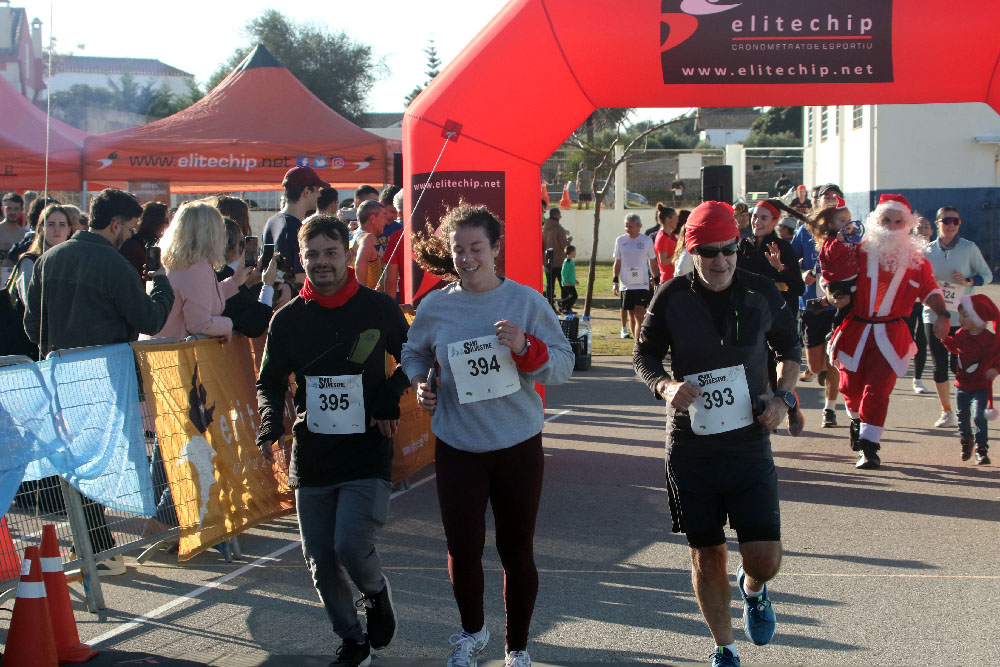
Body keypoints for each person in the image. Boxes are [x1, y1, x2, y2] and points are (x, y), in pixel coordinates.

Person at [403, 203, 573, 667]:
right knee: (463, 548)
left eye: (476, 247)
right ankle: (472, 634)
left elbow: (562, 365)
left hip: (517, 444)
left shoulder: (525, 301)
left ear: (496, 248)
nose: (467, 258)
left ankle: (516, 647)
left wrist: (525, 347)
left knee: (517, 550)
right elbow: (412, 351)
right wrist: (421, 383)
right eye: (458, 250)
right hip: (459, 446)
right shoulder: (437, 305)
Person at [634, 200, 801, 667]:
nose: (721, 260)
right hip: (691, 446)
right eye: (708, 252)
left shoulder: (761, 291)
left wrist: (782, 398)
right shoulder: (671, 295)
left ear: (738, 245)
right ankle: (724, 648)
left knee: (763, 557)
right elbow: (643, 356)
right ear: (692, 251)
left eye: (729, 249)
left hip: (748, 441)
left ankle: (755, 589)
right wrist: (664, 385)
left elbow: (790, 347)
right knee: (707, 555)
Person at [257, 214, 406, 667]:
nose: (322, 263)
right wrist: (271, 423)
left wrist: (387, 398)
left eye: (331, 253)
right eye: (312, 255)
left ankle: (376, 594)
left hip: (366, 451)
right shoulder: (286, 320)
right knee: (320, 560)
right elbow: (268, 382)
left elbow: (416, 355)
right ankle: (352, 639)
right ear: (300, 259)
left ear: (348, 254)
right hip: (314, 453)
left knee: (350, 544)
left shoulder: (378, 309)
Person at [24, 189, 174, 575]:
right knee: (100, 461)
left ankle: (93, 547)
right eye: (130, 227)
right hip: (103, 377)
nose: (132, 234)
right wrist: (162, 286)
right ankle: (97, 550)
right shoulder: (113, 263)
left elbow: (31, 325)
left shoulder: (49, 258)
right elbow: (150, 320)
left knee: (75, 461)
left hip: (59, 373)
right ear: (115, 225)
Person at [828, 195, 951, 469]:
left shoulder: (916, 260)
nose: (892, 226)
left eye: (899, 221)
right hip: (857, 330)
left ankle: (870, 447)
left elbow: (929, 290)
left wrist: (942, 314)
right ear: (876, 221)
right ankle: (857, 421)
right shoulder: (858, 251)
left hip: (891, 334)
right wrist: (831, 293)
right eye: (887, 220)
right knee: (851, 388)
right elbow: (833, 277)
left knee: (878, 389)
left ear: (907, 225)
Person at [921, 206, 992, 428]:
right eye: (946, 220)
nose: (951, 224)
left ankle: (968, 404)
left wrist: (968, 282)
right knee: (939, 364)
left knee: (960, 365)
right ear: (938, 223)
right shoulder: (927, 251)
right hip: (933, 314)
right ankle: (946, 411)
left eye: (956, 221)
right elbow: (917, 279)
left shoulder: (969, 248)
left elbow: (987, 275)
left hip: (963, 318)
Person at [144, 203, 249, 341]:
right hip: (178, 356)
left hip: (163, 352)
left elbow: (202, 297)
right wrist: (227, 325)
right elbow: (200, 324)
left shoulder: (174, 261)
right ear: (210, 234)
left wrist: (234, 282)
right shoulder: (196, 267)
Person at [2, 204, 72, 359]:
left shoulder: (73, 262)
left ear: (69, 230)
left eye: (62, 225)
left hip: (63, 342)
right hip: (28, 344)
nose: (57, 229)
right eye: (51, 224)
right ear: (40, 229)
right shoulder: (29, 261)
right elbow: (30, 304)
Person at [943, 295, 1000, 465]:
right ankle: (967, 441)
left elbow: (998, 356)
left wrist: (995, 369)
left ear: (978, 318)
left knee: (979, 416)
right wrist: (945, 338)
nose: (961, 319)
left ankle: (982, 450)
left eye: (966, 316)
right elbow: (955, 348)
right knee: (962, 416)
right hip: (962, 385)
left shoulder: (990, 339)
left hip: (981, 386)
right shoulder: (961, 334)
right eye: (960, 315)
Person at [261, 165, 329, 286]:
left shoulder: (271, 221)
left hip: (271, 297)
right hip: (291, 300)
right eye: (317, 190)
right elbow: (302, 279)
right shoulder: (297, 229)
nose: (319, 195)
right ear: (306, 192)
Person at [217, 218, 278, 339]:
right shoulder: (223, 274)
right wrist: (268, 286)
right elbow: (256, 325)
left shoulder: (198, 270)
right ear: (239, 247)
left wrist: (247, 283)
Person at [613, 213, 657, 340]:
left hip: (641, 282)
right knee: (631, 314)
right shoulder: (620, 240)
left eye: (631, 227)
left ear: (639, 226)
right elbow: (618, 262)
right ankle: (636, 342)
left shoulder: (646, 240)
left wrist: (655, 278)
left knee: (640, 312)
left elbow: (652, 261)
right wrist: (615, 280)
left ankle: (640, 342)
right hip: (626, 283)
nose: (628, 229)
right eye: (626, 227)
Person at [907, 215, 935, 393]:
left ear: (932, 231)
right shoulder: (908, 250)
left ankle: (917, 379)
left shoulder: (936, 251)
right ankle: (896, 370)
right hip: (910, 300)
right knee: (906, 339)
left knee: (922, 341)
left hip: (928, 302)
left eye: (926, 226)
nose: (923, 229)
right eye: (920, 227)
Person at [120, 201, 170, 277]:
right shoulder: (133, 246)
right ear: (155, 222)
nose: (168, 224)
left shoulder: (160, 244)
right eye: (166, 221)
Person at [354, 200, 386, 291]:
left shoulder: (350, 237)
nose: (385, 221)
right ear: (372, 218)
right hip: (366, 301)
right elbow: (359, 264)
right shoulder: (368, 238)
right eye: (383, 215)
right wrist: (363, 294)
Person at [541, 207, 570, 305]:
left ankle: (550, 305)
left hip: (547, 261)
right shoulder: (559, 229)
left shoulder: (544, 229)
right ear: (557, 215)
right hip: (559, 262)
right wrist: (569, 240)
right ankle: (564, 305)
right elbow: (564, 246)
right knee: (564, 285)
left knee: (550, 285)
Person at [653, 204, 679, 283]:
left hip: (674, 278)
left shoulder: (671, 236)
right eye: (676, 218)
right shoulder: (662, 238)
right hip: (668, 280)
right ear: (668, 220)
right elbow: (663, 261)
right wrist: (679, 256)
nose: (677, 221)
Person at [376, 186, 402, 258]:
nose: (395, 217)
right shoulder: (368, 228)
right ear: (381, 204)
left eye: (397, 213)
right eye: (392, 212)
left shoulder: (400, 229)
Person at [0, 192, 26, 259]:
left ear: (21, 210)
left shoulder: (25, 236)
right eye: (9, 208)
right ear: (3, 209)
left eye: (16, 209)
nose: (12, 212)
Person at [559, 245, 578, 315]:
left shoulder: (570, 261)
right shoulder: (568, 261)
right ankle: (562, 303)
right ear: (571, 252)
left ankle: (567, 308)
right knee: (574, 296)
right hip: (568, 283)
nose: (575, 253)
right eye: (574, 252)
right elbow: (564, 272)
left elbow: (570, 273)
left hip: (571, 282)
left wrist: (575, 280)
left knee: (573, 296)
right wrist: (565, 282)